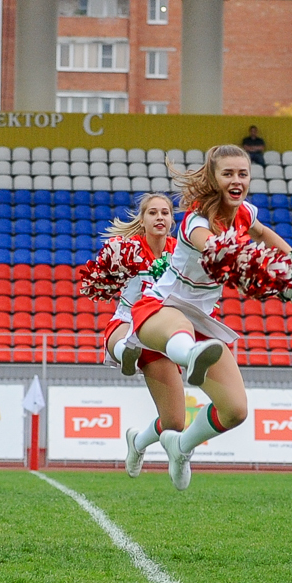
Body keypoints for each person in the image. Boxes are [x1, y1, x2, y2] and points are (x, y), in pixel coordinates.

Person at [125, 143, 291, 492]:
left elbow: (260, 232)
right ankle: (191, 357)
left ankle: (181, 447)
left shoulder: (245, 212)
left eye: (242, 174)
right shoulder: (196, 221)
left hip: (202, 321)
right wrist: (259, 264)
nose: (236, 180)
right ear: (213, 179)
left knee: (235, 410)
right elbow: (214, 247)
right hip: (163, 308)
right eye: (227, 173)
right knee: (180, 329)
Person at [96, 193, 190, 479]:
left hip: (158, 334)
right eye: (153, 213)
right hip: (126, 322)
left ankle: (137, 443)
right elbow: (100, 278)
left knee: (174, 422)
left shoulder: (181, 253)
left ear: (173, 221)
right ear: (143, 220)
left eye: (165, 212)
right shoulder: (129, 249)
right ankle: (127, 355)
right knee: (124, 342)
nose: (160, 217)